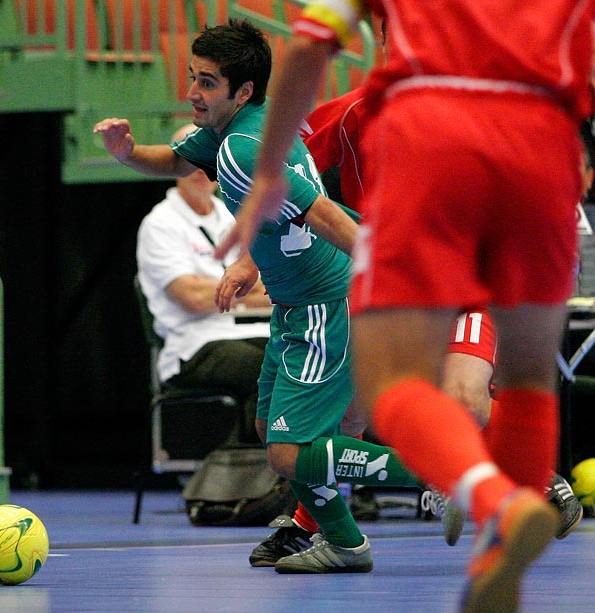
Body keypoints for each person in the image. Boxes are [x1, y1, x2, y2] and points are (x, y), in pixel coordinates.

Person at [215, 2, 592, 611]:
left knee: (392, 387)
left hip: (434, 134)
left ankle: (489, 497)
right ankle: (498, 529)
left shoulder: (391, 73)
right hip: (545, 141)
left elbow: (310, 46)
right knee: (527, 382)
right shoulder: (348, 118)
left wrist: (263, 173)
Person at [95, 18, 421, 574]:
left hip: (326, 304)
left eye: (207, 83)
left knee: (290, 451)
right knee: (276, 433)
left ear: (242, 90)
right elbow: (176, 160)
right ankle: (344, 542)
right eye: (193, 77)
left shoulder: (240, 150)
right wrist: (126, 153)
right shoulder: (252, 124)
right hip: (297, 307)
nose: (192, 92)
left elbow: (320, 212)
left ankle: (446, 473)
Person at [136, 123, 271, 444]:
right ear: (175, 165)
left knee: (302, 359)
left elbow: (269, 286)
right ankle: (260, 477)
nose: (200, 168)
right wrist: (243, 290)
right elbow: (192, 298)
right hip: (193, 345)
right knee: (269, 371)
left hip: (247, 330)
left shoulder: (230, 214)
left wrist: (223, 291)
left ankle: (295, 473)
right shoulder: (160, 223)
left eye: (207, 157)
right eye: (190, 158)